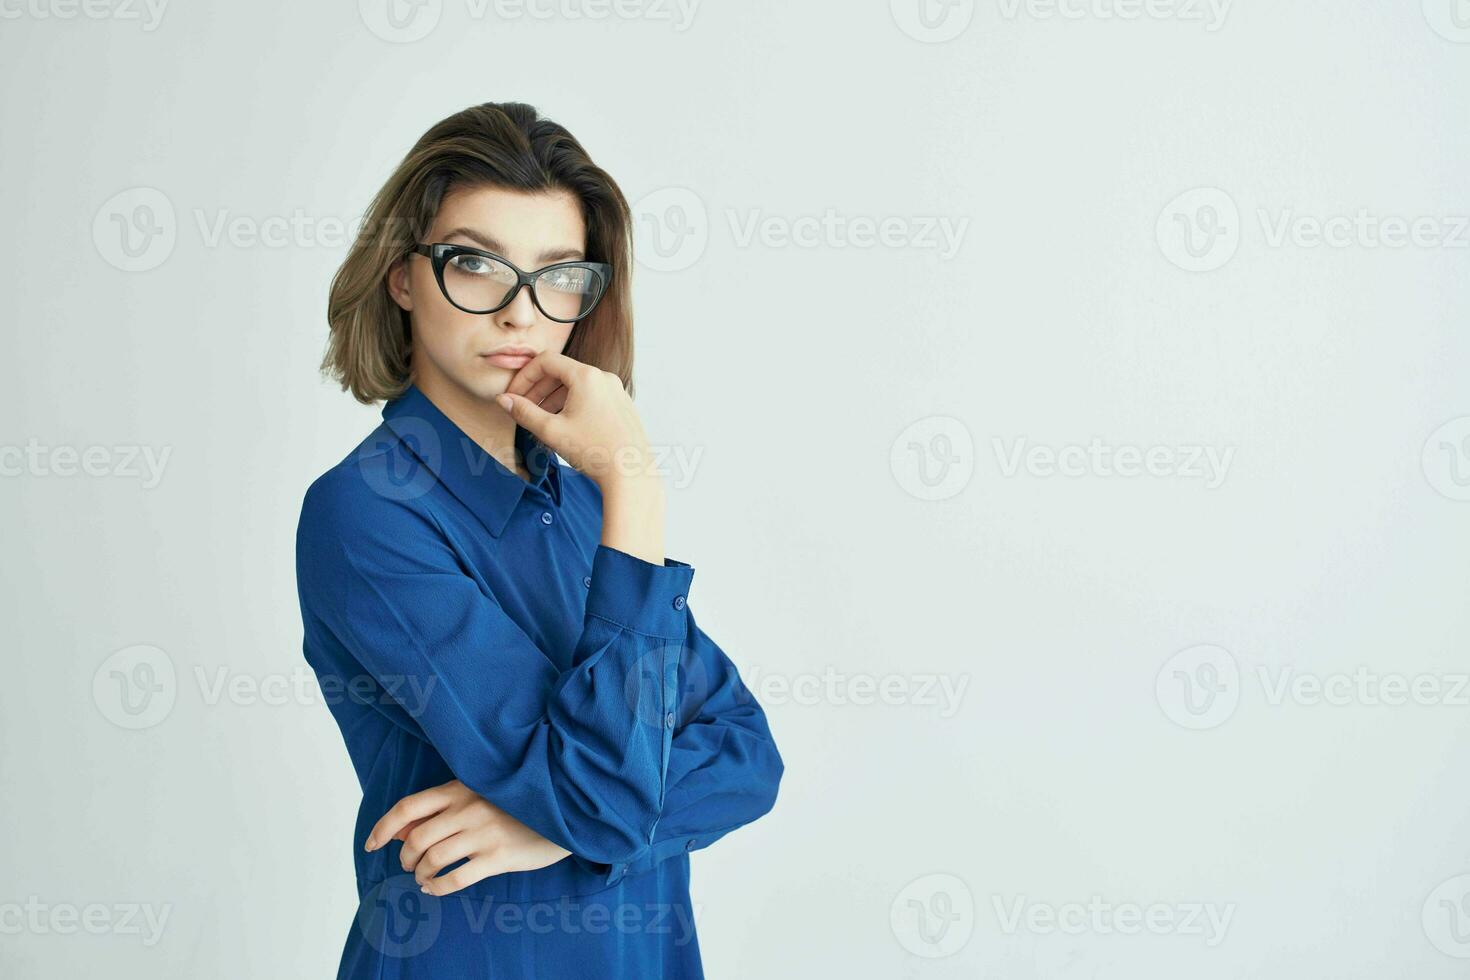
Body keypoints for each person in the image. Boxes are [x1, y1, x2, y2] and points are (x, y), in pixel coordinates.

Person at [294, 101, 785, 979]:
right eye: (476, 264)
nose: (522, 313)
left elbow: (748, 752)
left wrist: (534, 822)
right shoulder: (365, 514)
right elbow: (603, 798)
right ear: (403, 276)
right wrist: (635, 480)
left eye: (557, 274)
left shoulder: (590, 502)